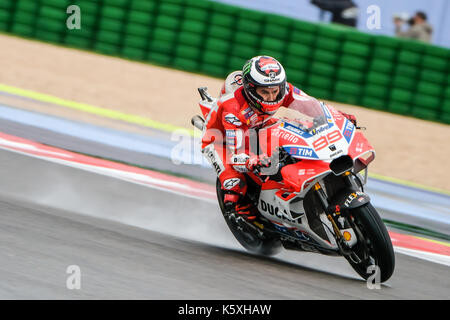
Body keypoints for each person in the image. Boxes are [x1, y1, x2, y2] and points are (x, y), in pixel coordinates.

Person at [201, 56, 357, 221]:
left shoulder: (283, 90)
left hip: (259, 126)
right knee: (234, 183)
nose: (271, 97)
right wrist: (253, 161)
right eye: (264, 92)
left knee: (301, 130)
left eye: (275, 91)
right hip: (221, 140)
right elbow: (237, 153)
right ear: (250, 89)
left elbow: (310, 106)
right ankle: (241, 214)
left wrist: (337, 117)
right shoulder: (233, 109)